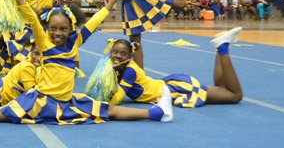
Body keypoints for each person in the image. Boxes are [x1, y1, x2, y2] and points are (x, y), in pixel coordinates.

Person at [0, 0, 173, 125]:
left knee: (108, 110)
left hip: (65, 102)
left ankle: (156, 112)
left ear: (70, 28)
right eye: (53, 28)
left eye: (63, 28)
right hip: (40, 101)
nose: (57, 32)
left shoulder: (75, 41)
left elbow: (95, 21)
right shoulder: (45, 44)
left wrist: (112, 1)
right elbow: (32, 17)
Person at [91, 27, 243, 108]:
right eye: (115, 52)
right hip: (167, 87)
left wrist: (101, 102)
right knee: (221, 88)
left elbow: (117, 99)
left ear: (130, 57)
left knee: (234, 96)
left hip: (174, 90)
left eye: (123, 53)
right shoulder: (117, 67)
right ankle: (220, 47)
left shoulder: (130, 70)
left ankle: (223, 47)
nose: (117, 56)